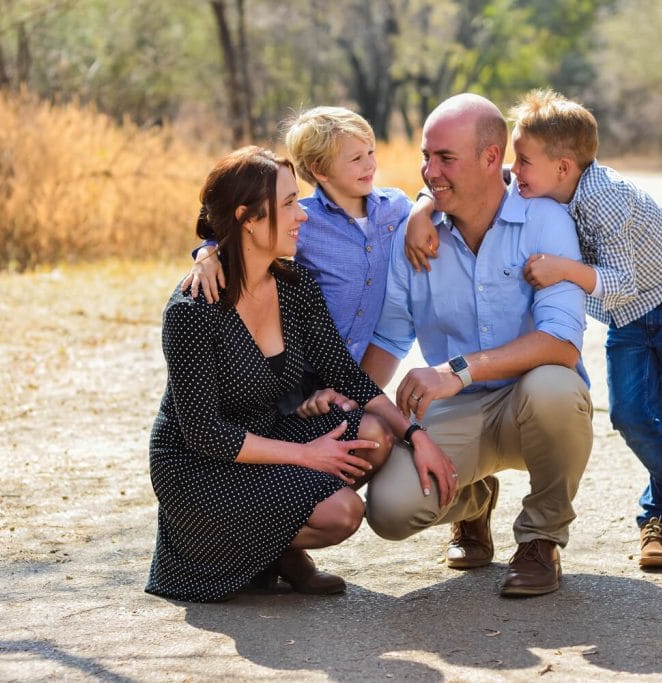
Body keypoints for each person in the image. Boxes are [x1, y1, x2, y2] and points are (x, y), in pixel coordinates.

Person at [405, 89, 662, 571]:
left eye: (524, 161)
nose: (515, 172)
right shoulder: (541, 181)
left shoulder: (606, 200)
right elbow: (474, 178)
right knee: (630, 416)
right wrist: (422, 206)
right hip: (628, 314)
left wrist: (563, 268)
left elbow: (623, 282)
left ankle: (661, 516)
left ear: (563, 168)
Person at [146, 146, 453, 603]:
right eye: (289, 203)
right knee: (342, 513)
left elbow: (345, 374)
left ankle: (273, 549)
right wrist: (304, 454)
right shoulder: (193, 311)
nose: (302, 216)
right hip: (199, 469)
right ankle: (266, 551)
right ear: (248, 218)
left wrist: (416, 433)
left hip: (269, 436)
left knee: (374, 435)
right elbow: (204, 433)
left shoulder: (295, 286)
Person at [355, 93, 593, 598]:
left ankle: (540, 538)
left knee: (555, 387)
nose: (429, 171)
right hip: (460, 412)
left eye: (445, 158)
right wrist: (343, 402)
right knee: (390, 510)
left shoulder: (544, 218)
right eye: (425, 156)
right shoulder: (415, 237)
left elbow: (562, 344)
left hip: (532, 404)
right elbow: (389, 338)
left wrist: (456, 370)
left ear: (491, 159)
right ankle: (473, 501)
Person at [183, 106, 411, 365]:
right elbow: (241, 232)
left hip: (361, 362)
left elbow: (433, 212)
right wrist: (208, 252)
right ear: (320, 171)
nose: (370, 164)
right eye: (356, 159)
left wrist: (424, 211)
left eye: (371, 152)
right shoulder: (300, 218)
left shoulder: (395, 207)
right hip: (307, 365)